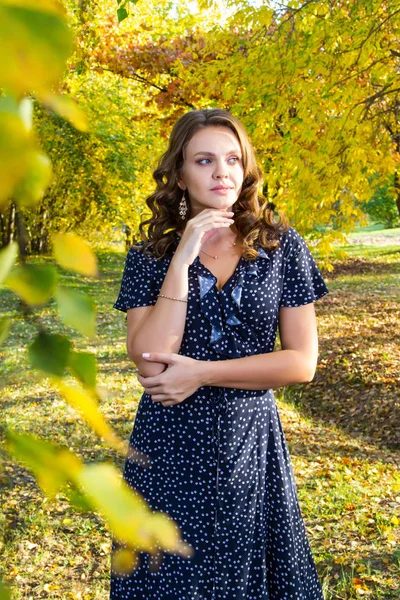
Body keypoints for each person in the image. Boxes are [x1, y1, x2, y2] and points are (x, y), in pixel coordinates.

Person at [110, 108, 328, 600]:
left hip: (249, 443)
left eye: (233, 159)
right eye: (204, 160)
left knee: (247, 579)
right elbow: (149, 358)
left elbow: (301, 362)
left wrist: (203, 373)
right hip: (169, 444)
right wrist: (184, 255)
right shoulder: (151, 254)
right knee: (169, 581)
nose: (222, 172)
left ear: (246, 168)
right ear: (180, 174)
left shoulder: (281, 246)